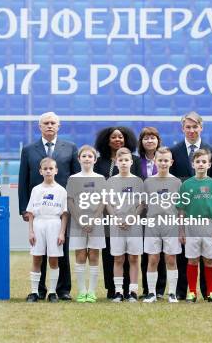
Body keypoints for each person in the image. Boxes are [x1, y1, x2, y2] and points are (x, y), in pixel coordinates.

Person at [19, 112, 79, 300]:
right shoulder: (29, 150)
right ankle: (39, 290)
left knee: (60, 249)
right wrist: (24, 209)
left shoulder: (70, 148)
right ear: (40, 126)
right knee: (39, 251)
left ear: (59, 126)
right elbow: (23, 180)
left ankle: (62, 290)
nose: (50, 125)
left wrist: (75, 209)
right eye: (46, 123)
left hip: (61, 211)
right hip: (38, 212)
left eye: (53, 123)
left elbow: (76, 180)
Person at [170, 111, 212, 300]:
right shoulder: (174, 151)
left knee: (208, 257)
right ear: (182, 128)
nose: (191, 130)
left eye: (195, 127)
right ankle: (185, 291)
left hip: (207, 213)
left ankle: (210, 291)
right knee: (187, 257)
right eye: (188, 127)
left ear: (201, 127)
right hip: (188, 214)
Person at [94, 126, 140, 299]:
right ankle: (113, 288)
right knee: (111, 252)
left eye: (120, 137)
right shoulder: (100, 162)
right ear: (107, 140)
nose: (117, 139)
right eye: (113, 137)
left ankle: (130, 288)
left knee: (131, 253)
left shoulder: (134, 160)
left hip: (130, 214)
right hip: (108, 213)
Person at [177, 149, 212, 303]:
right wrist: (181, 230)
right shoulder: (186, 185)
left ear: (209, 164)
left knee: (209, 260)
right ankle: (192, 292)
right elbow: (181, 209)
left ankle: (211, 292)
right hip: (191, 226)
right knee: (192, 260)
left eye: (204, 162)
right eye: (198, 162)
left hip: (209, 226)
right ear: (193, 164)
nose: (201, 164)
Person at [142, 147, 182, 303]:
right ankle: (151, 293)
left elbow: (180, 208)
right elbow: (144, 204)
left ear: (171, 162)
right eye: (160, 160)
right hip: (153, 225)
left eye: (166, 160)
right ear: (155, 161)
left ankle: (172, 293)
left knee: (171, 259)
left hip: (171, 225)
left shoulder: (177, 182)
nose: (163, 163)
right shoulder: (148, 182)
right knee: (153, 259)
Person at [66, 145, 106, 303]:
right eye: (84, 156)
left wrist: (94, 219)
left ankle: (92, 291)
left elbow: (104, 201)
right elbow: (70, 201)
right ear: (79, 159)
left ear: (95, 160)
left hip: (96, 222)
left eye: (90, 156)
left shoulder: (100, 179)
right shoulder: (73, 179)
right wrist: (80, 220)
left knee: (95, 255)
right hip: (78, 222)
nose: (87, 159)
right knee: (80, 255)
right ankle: (82, 291)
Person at [25, 158, 68, 303]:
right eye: (45, 169)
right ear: (40, 171)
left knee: (53, 259)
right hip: (39, 223)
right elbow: (30, 212)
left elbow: (64, 214)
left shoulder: (61, 190)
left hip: (54, 224)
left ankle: (52, 292)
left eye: (51, 168)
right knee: (37, 258)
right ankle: (34, 292)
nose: (48, 171)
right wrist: (30, 231)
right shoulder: (36, 189)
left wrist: (62, 232)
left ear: (56, 170)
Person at [106, 148, 144, 303]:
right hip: (117, 225)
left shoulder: (137, 181)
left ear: (131, 162)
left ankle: (133, 291)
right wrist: (115, 218)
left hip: (133, 225)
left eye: (126, 160)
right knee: (118, 259)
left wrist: (131, 218)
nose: (123, 163)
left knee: (134, 258)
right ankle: (118, 291)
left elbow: (141, 204)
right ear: (116, 163)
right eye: (120, 160)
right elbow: (107, 203)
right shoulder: (111, 181)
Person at [137, 126, 167, 298]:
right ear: (141, 142)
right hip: (142, 212)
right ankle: (148, 289)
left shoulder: (165, 158)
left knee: (161, 252)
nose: (149, 140)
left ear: (158, 140)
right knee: (145, 250)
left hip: (162, 212)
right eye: (146, 138)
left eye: (153, 137)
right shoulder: (135, 161)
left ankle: (160, 290)